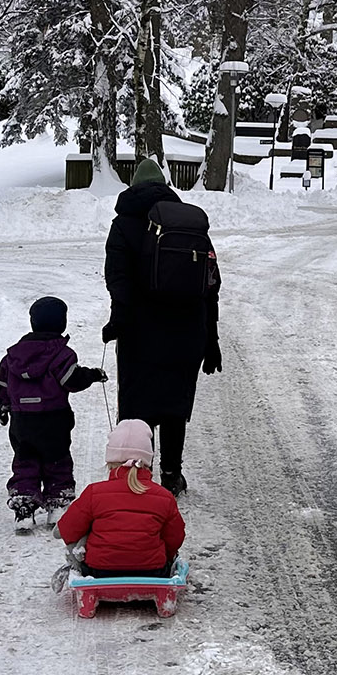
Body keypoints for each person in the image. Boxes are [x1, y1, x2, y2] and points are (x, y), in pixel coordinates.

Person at [101, 158, 221, 495]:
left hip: (140, 331)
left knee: (137, 405)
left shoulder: (123, 224)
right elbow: (211, 284)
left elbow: (118, 279)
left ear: (133, 187)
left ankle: (137, 473)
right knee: (173, 405)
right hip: (187, 330)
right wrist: (211, 339)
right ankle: (171, 474)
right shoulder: (188, 224)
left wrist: (118, 321)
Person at [0, 295, 106, 531]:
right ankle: (57, 505)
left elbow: (1, 385)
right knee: (57, 459)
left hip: (22, 420)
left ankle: (24, 506)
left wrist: (4, 406)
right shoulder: (61, 354)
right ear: (62, 323)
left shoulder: (13, 356)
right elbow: (72, 380)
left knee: (25, 460)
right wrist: (93, 374)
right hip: (54, 418)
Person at [54, 419, 185, 578]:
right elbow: (175, 538)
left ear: (110, 462)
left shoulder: (95, 493)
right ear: (147, 461)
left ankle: (81, 577)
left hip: (100, 570)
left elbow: (67, 530)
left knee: (83, 534)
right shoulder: (164, 497)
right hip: (152, 570)